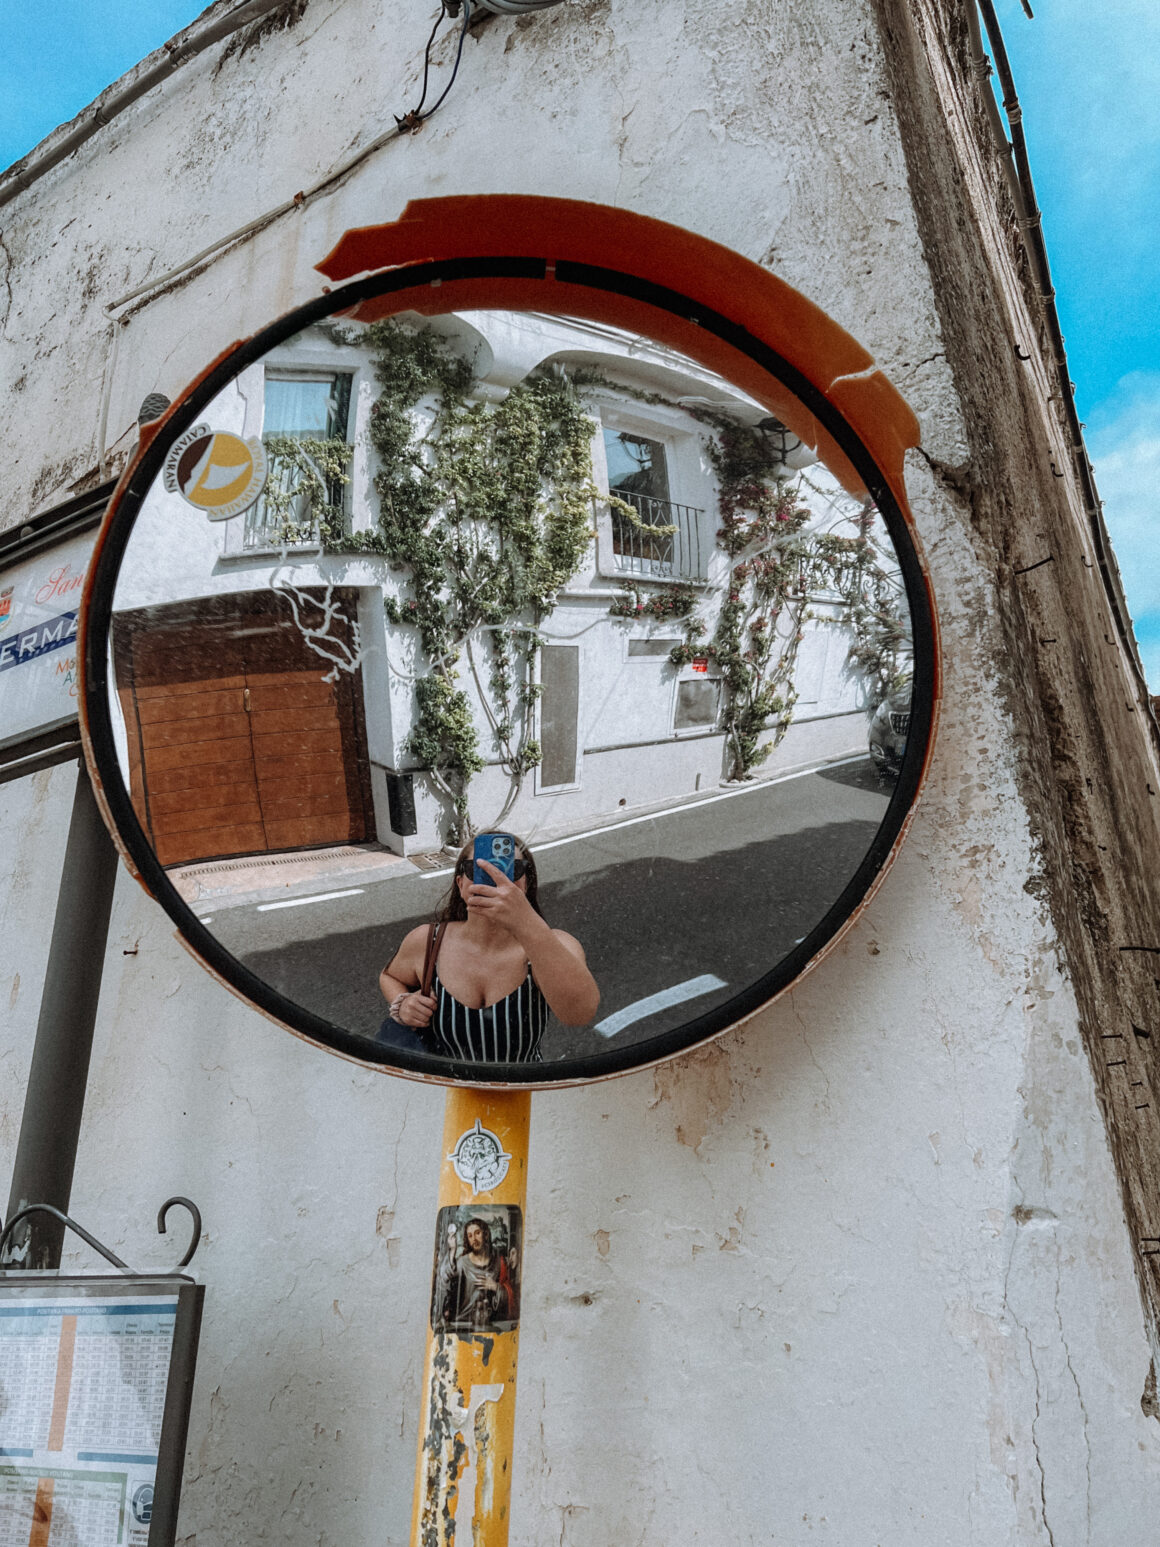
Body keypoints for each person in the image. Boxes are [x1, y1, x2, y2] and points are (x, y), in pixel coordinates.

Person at [380, 832, 599, 1061]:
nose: (496, 880)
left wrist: (527, 922)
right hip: (448, 1090)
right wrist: (402, 1004)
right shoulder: (427, 941)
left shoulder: (553, 944)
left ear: (525, 884)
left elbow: (579, 1014)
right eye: (479, 870)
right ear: (460, 883)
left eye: (511, 870)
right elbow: (390, 976)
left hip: (521, 1092)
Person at [437, 1218, 515, 1331]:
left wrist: (495, 1287)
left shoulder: (499, 1262)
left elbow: (510, 1296)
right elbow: (444, 1279)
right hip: (463, 1323)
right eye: (470, 1236)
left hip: (489, 1324)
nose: (474, 1239)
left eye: (477, 1233)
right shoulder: (462, 1262)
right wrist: (453, 1250)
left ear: (486, 1234)